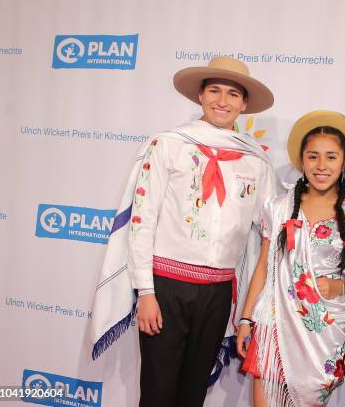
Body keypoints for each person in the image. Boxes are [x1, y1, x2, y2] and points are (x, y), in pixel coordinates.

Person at [90, 56, 276, 407]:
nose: (223, 101)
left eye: (233, 94)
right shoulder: (169, 145)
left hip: (219, 292)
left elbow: (273, 222)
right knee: (158, 390)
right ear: (200, 97)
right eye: (215, 91)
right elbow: (143, 219)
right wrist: (146, 291)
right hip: (166, 288)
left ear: (245, 103)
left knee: (193, 391)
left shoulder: (256, 160)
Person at [236, 111, 345, 407]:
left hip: (322, 334)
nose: (321, 166)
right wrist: (245, 319)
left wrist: (340, 287)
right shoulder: (279, 207)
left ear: (344, 162)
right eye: (313, 157)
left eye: (331, 157)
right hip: (275, 325)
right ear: (302, 160)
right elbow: (263, 266)